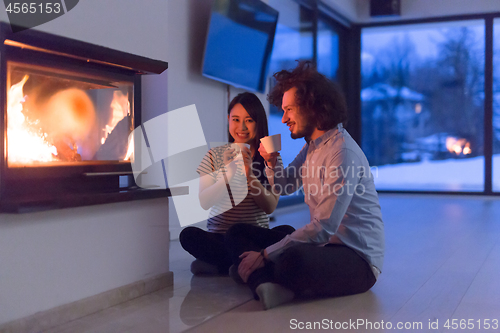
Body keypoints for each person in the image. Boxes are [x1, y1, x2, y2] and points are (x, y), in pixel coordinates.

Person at [225, 62, 385, 310]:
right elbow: (284, 185)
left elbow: (322, 228)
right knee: (238, 232)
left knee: (291, 258)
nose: (285, 117)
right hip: (324, 246)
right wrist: (271, 161)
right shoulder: (313, 146)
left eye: (289, 109)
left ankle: (256, 274)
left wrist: (266, 254)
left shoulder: (341, 153)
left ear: (313, 107)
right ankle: (265, 281)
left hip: (356, 260)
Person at [180, 92, 294, 275]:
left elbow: (270, 207)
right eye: (235, 119)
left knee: (288, 232)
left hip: (253, 236)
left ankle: (223, 265)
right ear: (228, 120)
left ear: (259, 122)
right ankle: (247, 262)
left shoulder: (270, 157)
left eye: (249, 120)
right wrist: (227, 174)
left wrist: (250, 177)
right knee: (188, 235)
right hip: (221, 237)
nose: (241, 127)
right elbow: (204, 202)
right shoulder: (214, 155)